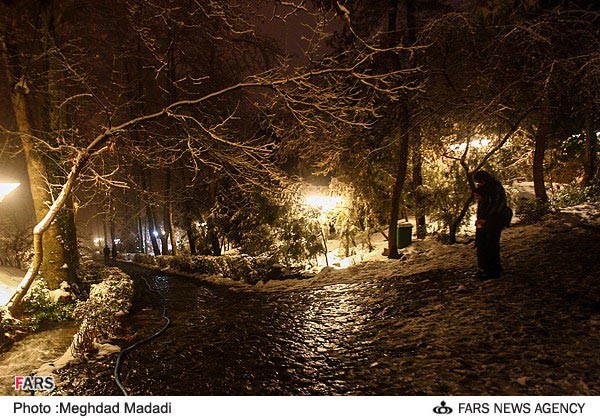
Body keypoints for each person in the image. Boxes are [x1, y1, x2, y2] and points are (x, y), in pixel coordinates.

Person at [472, 170, 508, 280]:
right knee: (483, 245)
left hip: (494, 222)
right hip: (486, 222)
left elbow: (496, 206)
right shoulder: (487, 189)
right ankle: (485, 269)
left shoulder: (495, 189)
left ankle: (492, 270)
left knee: (491, 245)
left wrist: (486, 220)